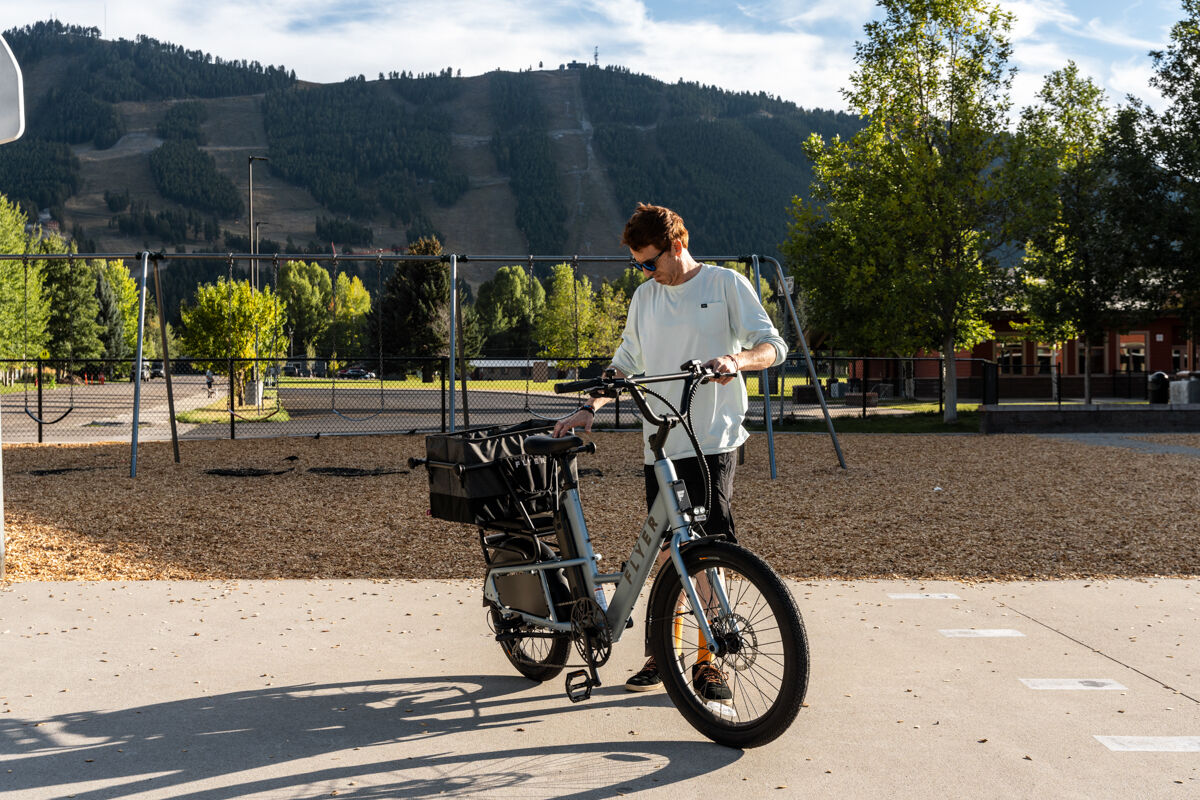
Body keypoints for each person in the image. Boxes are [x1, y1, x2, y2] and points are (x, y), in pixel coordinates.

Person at [552, 203, 787, 703]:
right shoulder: (645, 296)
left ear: (677, 245)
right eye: (638, 264)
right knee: (666, 551)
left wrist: (736, 360)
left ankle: (706, 661)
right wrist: (590, 406)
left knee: (708, 551)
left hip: (713, 440)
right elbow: (625, 362)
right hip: (659, 444)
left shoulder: (725, 284)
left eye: (649, 262)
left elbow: (772, 346)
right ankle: (665, 651)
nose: (644, 272)